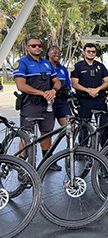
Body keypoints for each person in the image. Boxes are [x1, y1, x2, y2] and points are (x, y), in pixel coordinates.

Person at [13, 38, 62, 168]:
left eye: (39, 45)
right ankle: (21, 163)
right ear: (27, 47)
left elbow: (57, 81)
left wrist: (53, 90)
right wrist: (42, 93)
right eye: (33, 45)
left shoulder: (47, 63)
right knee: (26, 135)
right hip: (30, 104)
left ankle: (47, 162)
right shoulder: (22, 63)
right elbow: (21, 86)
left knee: (46, 133)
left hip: (47, 105)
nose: (37, 48)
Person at [71, 43, 108, 145]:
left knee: (103, 125)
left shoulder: (100, 66)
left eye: (93, 51)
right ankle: (83, 148)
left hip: (99, 99)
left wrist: (97, 89)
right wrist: (88, 90)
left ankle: (105, 148)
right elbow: (74, 83)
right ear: (84, 52)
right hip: (84, 100)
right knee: (84, 125)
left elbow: (107, 81)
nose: (91, 53)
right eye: (89, 51)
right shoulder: (78, 66)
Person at [46, 46, 72, 127]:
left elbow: (68, 84)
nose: (57, 54)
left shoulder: (63, 69)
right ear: (48, 54)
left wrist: (71, 96)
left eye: (59, 53)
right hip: (49, 101)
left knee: (70, 127)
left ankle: (70, 140)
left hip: (62, 101)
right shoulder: (44, 67)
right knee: (48, 129)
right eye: (54, 52)